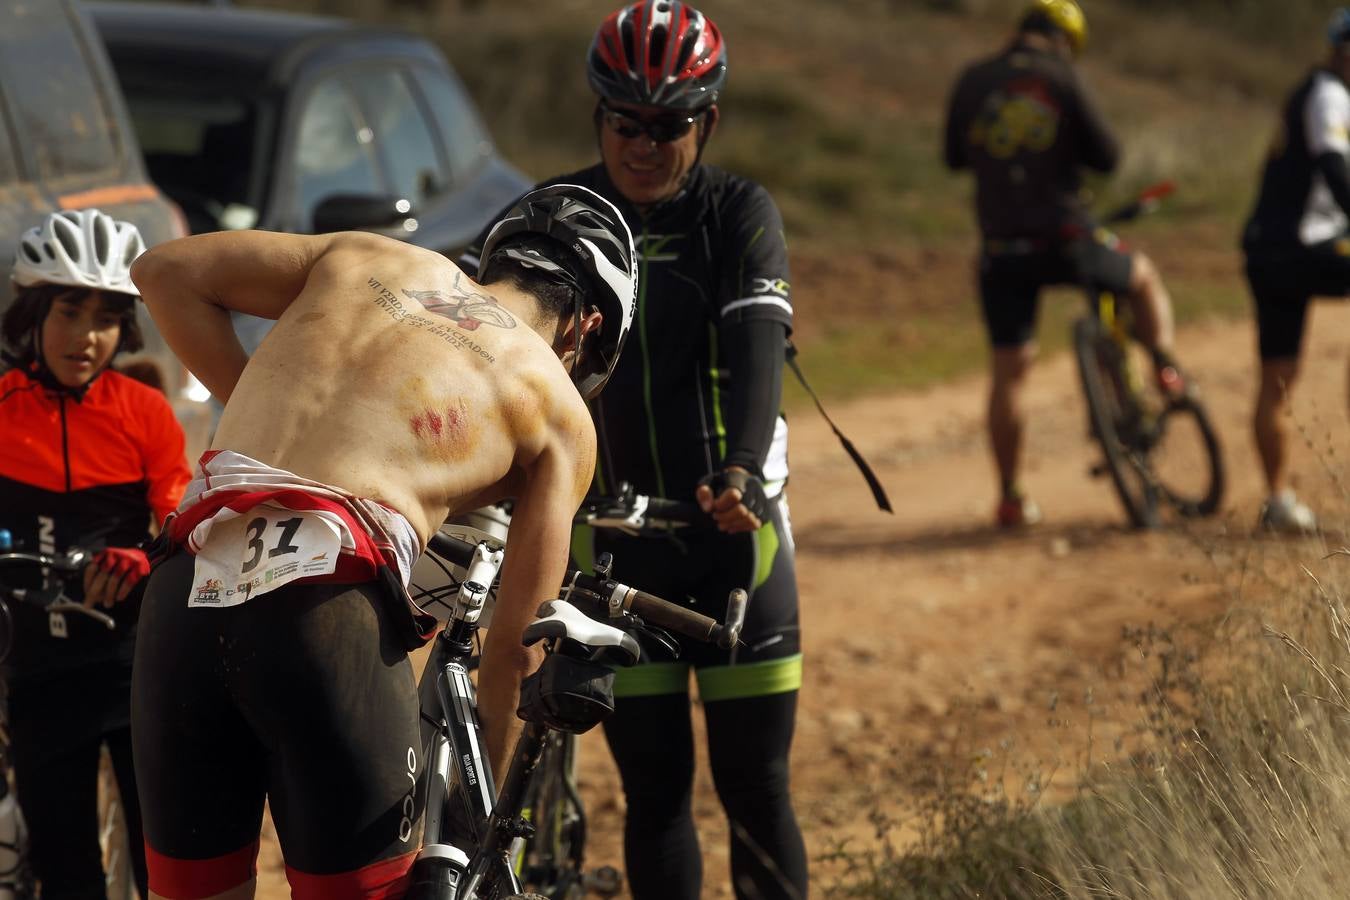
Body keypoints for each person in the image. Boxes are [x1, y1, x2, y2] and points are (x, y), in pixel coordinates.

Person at [128, 184, 636, 897]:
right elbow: (516, 653)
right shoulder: (555, 403)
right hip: (327, 611)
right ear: (584, 329)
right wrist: (477, 824)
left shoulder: (366, 254)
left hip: (185, 583)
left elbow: (162, 271)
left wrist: (260, 412)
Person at [462, 4, 808, 897]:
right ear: (600, 116)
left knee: (755, 790)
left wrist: (740, 476)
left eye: (669, 125)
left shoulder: (737, 214)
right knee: (653, 796)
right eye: (627, 121)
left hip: (735, 541)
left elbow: (757, 356)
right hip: (612, 551)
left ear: (709, 122)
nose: (644, 144)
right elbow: (479, 338)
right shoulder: (558, 217)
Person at [0, 208, 191, 899]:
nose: (85, 337)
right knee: (66, 878)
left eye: (106, 318)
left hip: (134, 675)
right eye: (68, 311)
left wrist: (149, 552)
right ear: (32, 315)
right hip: (38, 675)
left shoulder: (144, 412)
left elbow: (179, 511)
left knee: (165, 871)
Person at [943, 0, 1185, 527]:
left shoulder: (973, 78)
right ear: (1065, 41)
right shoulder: (1062, 76)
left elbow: (953, 157)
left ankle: (1009, 496)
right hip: (1067, 238)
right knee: (1140, 276)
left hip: (1002, 247)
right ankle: (1165, 371)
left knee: (1009, 372)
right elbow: (1108, 156)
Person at [1239, 9, 1350, 534]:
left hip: (1267, 251)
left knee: (1276, 380)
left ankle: (1278, 500)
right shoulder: (1329, 95)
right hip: (1302, 250)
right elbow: (1334, 167)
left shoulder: (1310, 93)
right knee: (1277, 381)